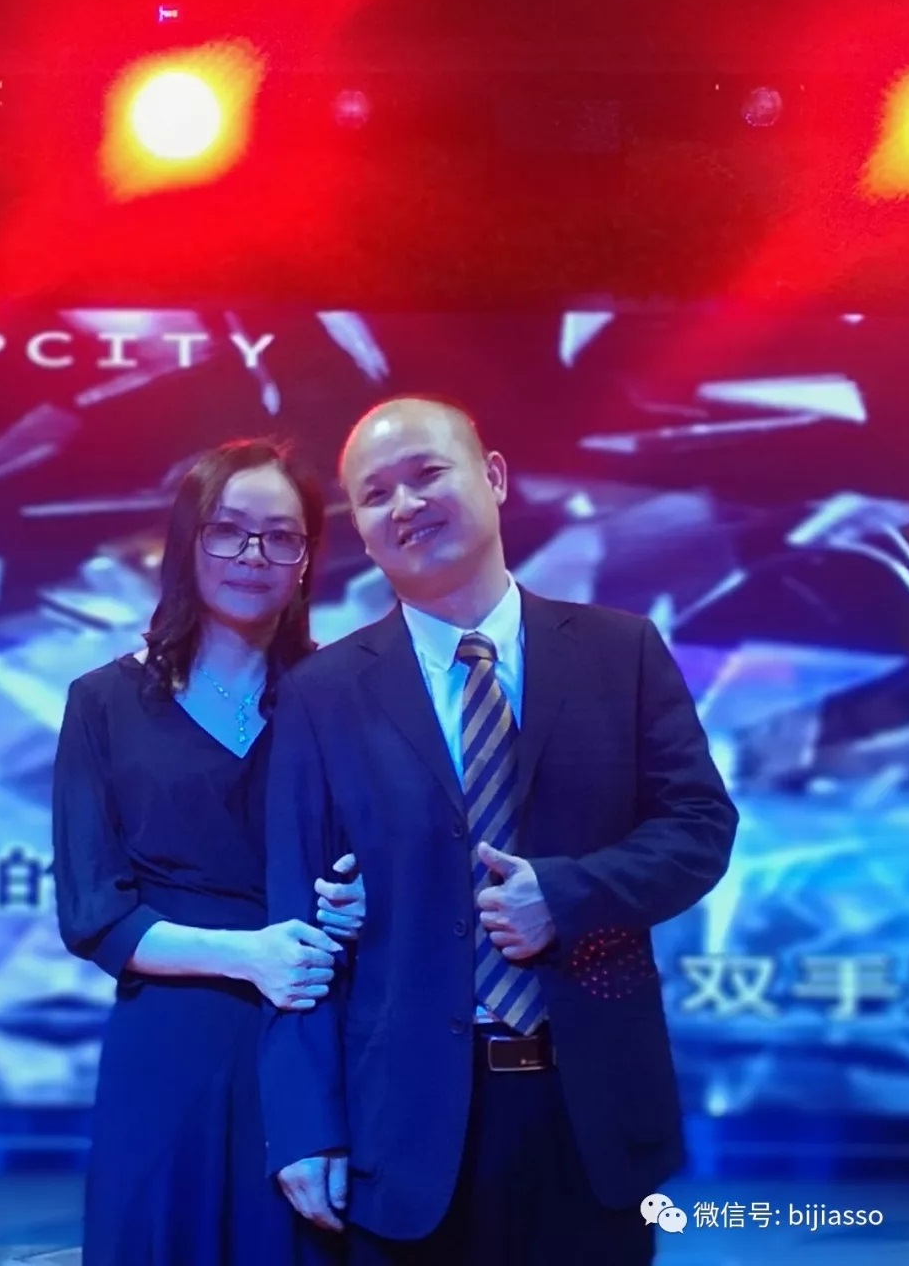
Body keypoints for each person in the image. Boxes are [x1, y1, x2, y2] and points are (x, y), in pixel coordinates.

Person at [260, 396, 739, 1265]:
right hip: (398, 1127)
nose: (405, 505)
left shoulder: (620, 651)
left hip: (591, 1114)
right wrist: (303, 1121)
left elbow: (700, 825)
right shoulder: (321, 694)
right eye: (375, 494)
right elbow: (294, 920)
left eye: (426, 474)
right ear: (359, 528)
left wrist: (567, 894)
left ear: (494, 477)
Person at [52, 438, 365, 1265]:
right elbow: (93, 912)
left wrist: (366, 902)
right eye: (228, 529)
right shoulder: (104, 702)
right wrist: (246, 955)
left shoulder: (347, 699)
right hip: (171, 1047)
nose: (253, 554)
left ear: (308, 558)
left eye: (281, 536)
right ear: (187, 541)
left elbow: (395, 865)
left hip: (312, 1034)